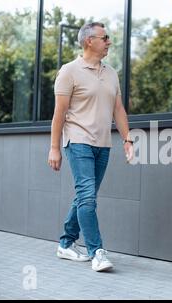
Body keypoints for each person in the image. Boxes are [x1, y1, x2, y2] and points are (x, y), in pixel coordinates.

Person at [47, 22, 134, 272]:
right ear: (89, 41)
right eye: (104, 37)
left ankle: (65, 243)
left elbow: (118, 109)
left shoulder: (111, 73)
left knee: (86, 196)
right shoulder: (69, 71)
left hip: (103, 144)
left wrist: (128, 139)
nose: (109, 41)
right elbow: (59, 113)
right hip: (78, 142)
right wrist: (54, 148)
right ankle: (97, 252)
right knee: (86, 196)